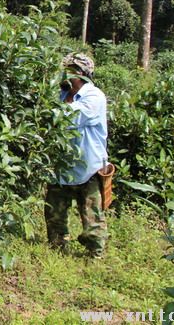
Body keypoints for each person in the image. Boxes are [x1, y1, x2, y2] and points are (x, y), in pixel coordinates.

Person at [45, 52, 109, 258]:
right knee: (54, 212)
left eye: (68, 70)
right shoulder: (61, 95)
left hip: (87, 167)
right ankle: (57, 247)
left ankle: (95, 254)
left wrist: (45, 108)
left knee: (92, 217)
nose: (63, 74)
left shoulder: (94, 97)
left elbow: (70, 117)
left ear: (80, 74)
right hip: (61, 165)